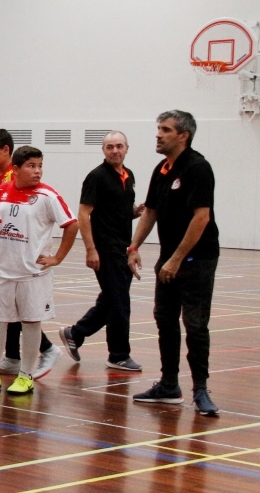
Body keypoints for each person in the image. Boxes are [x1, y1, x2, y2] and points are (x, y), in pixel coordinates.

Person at [129, 110, 220, 417]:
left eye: (165, 130)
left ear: (183, 136)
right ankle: (169, 385)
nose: (158, 134)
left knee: (195, 325)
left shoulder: (197, 168)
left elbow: (201, 217)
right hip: (169, 259)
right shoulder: (162, 169)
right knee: (164, 319)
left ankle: (201, 390)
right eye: (158, 128)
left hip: (196, 259)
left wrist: (177, 259)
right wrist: (134, 246)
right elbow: (151, 212)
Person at [0, 146, 78, 395]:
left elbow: (71, 225)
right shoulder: (1, 192)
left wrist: (57, 257)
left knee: (30, 322)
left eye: (40, 165)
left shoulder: (47, 196)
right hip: (3, 271)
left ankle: (25, 375)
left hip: (33, 274)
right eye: (31, 166)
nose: (37, 171)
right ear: (16, 169)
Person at [57, 131, 142, 371]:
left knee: (112, 298)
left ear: (127, 148)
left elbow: (121, 208)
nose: (115, 150)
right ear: (103, 150)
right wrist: (90, 250)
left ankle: (75, 333)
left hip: (123, 247)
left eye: (119, 146)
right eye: (110, 147)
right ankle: (118, 355)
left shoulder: (128, 175)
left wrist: (136, 211)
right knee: (119, 302)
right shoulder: (96, 177)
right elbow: (84, 214)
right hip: (105, 247)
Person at [0, 128, 61, 378]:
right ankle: (12, 357)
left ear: (7, 152)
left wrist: (56, 257)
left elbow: (69, 224)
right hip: (7, 261)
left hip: (28, 264)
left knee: (26, 314)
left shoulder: (23, 183)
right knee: (5, 313)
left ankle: (42, 351)